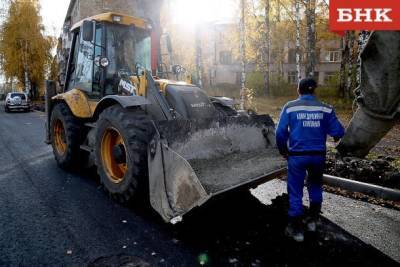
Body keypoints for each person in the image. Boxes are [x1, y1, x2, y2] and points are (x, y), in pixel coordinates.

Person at [275, 77, 345, 242]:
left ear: (298, 90)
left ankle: (296, 229)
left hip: (297, 156)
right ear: (314, 90)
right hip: (318, 156)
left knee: (295, 189)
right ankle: (313, 220)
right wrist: (332, 135)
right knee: (315, 185)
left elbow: (280, 133)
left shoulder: (290, 107)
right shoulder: (326, 109)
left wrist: (283, 150)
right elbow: (339, 132)